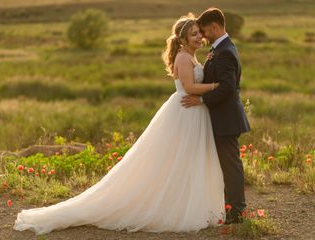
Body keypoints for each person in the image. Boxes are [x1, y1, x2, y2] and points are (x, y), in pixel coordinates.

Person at [13, 13, 225, 236]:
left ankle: (189, 204)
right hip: (185, 114)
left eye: (199, 33)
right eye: (194, 34)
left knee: (188, 161)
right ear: (183, 39)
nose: (199, 37)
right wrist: (215, 86)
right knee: (177, 160)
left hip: (194, 113)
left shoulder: (191, 56)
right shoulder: (183, 57)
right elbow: (189, 87)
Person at [181, 7, 251, 224]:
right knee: (226, 164)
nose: (202, 35)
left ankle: (237, 212)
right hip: (222, 117)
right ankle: (229, 207)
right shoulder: (220, 49)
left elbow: (227, 88)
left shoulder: (226, 52)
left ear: (214, 26)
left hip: (227, 118)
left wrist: (201, 100)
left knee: (231, 165)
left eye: (203, 30)